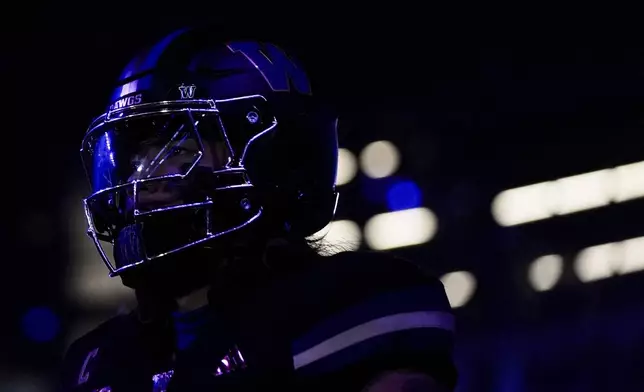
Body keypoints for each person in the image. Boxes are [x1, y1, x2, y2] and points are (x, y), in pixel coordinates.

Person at [59, 27, 457, 392]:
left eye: (179, 150)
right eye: (135, 160)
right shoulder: (100, 360)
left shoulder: (351, 305)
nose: (143, 182)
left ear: (272, 158)